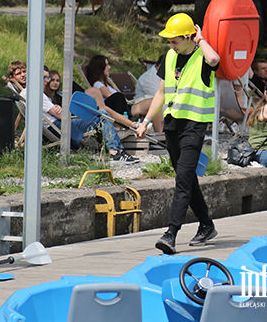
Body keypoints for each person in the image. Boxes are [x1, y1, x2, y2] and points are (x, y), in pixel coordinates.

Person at [137, 13, 219, 255]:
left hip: (194, 125)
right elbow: (162, 92)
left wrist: (201, 39)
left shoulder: (203, 56)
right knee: (187, 177)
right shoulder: (170, 56)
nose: (170, 45)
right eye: (169, 41)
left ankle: (170, 233)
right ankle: (206, 225)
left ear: (188, 37)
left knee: (182, 179)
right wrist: (145, 121)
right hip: (173, 124)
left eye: (174, 41)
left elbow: (214, 58)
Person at [39, 68, 138, 162]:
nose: (47, 81)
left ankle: (117, 150)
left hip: (61, 125)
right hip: (62, 127)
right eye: (46, 78)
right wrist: (62, 111)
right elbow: (61, 116)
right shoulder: (39, 94)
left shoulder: (45, 95)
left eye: (48, 78)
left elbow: (58, 113)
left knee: (102, 112)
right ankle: (115, 151)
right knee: (102, 114)